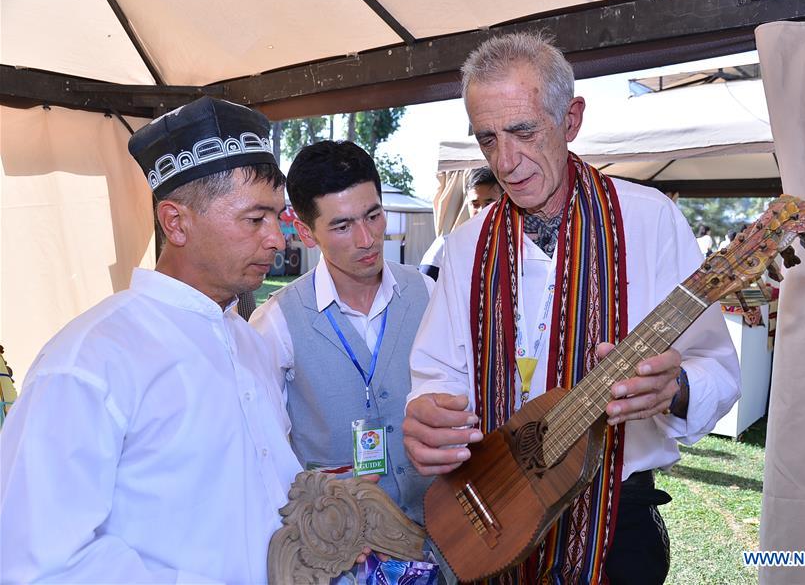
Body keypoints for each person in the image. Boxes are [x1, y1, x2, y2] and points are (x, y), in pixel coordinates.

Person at [403, 33, 740, 584]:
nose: (506, 162)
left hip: (617, 526)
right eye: (487, 139)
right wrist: (427, 416)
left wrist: (673, 388)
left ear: (572, 118)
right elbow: (438, 373)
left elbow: (717, 369)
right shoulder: (466, 246)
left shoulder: (649, 221)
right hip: (496, 514)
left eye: (522, 130)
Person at [0, 97, 304, 582]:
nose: (278, 239)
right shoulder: (89, 361)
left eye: (277, 217)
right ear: (176, 222)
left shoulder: (249, 342)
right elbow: (37, 561)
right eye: (255, 219)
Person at [250, 141, 435, 528]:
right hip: (340, 549)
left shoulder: (429, 293)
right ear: (305, 231)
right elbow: (264, 454)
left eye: (373, 215)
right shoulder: (275, 324)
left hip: (439, 533)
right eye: (342, 225)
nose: (367, 239)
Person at [418, 166, 502, 280]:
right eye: (475, 204)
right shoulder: (445, 246)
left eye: (489, 203)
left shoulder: (520, 247)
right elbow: (423, 290)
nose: (482, 210)